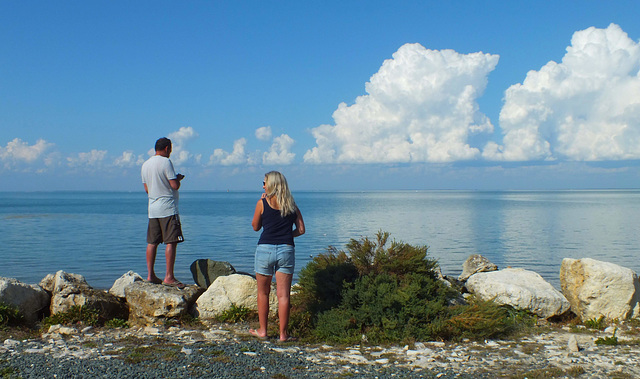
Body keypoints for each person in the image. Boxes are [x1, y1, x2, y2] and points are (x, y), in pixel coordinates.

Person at [250, 171, 305, 341]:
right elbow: (302, 230)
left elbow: (255, 227)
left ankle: (263, 331)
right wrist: (288, 235)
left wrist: (263, 204)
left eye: (264, 182)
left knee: (263, 293)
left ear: (271, 185)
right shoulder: (292, 205)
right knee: (284, 295)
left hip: (265, 249)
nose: (263, 185)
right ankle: (283, 334)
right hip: (286, 250)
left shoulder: (262, 203)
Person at [141, 137, 186, 289]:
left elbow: (147, 189)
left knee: (152, 242)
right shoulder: (166, 162)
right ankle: (169, 276)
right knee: (171, 242)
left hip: (152, 209)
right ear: (167, 148)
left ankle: (150, 275)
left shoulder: (145, 164)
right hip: (167, 207)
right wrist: (178, 179)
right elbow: (174, 186)